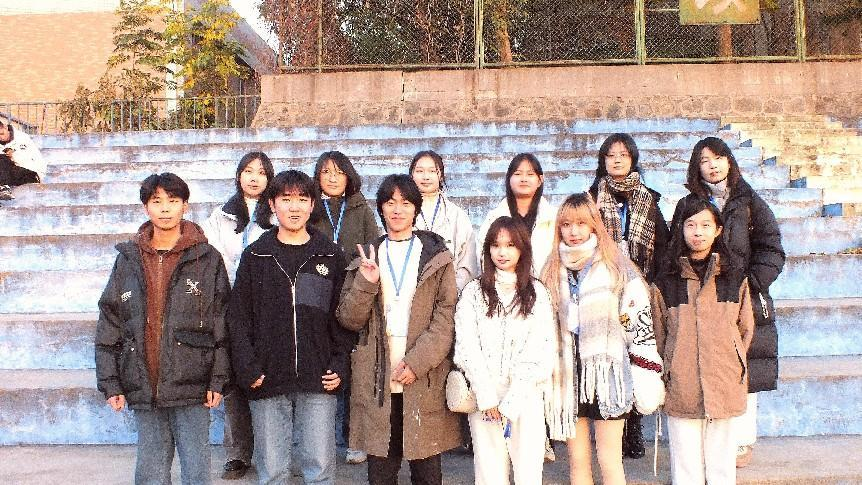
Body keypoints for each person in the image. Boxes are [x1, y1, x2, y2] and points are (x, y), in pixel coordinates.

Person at [95, 172, 231, 485]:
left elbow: (221, 320)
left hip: (193, 384)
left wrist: (219, 378)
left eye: (173, 200)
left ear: (185, 205)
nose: (165, 208)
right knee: (150, 473)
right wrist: (111, 382)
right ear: (146, 207)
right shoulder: (128, 259)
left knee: (196, 471)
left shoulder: (207, 259)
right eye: (157, 201)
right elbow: (110, 320)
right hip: (143, 381)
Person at [226, 170, 355, 485]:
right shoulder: (256, 255)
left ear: (312, 205)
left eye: (302, 199)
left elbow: (342, 317)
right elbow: (238, 318)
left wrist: (340, 362)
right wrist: (247, 366)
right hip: (266, 376)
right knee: (272, 472)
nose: (294, 207)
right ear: (272, 204)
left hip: (318, 376)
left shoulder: (330, 255)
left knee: (320, 470)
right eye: (286, 199)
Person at [337, 174, 461, 485]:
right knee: (381, 470)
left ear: (416, 208)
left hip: (423, 374)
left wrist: (416, 363)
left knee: (427, 471)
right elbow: (349, 319)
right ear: (380, 208)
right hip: (377, 375)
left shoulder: (436, 256)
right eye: (390, 202)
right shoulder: (366, 255)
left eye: (405, 203)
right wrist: (366, 283)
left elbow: (445, 317)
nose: (397, 210)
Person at [671, 136, 785, 468]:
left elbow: (771, 247)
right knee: (703, 365)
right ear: (696, 167)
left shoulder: (749, 201)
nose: (713, 165)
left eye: (719, 158)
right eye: (705, 160)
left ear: (730, 161)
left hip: (739, 294)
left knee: (741, 365)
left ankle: (740, 441)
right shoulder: (687, 204)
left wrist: (751, 283)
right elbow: (675, 246)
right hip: (700, 296)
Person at [542, 193, 664, 485]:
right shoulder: (550, 270)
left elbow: (636, 321)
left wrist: (644, 367)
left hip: (608, 375)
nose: (573, 231)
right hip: (567, 377)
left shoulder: (617, 267)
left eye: (581, 223)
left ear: (594, 225)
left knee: (609, 460)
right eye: (566, 224)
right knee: (578, 462)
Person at [652, 197, 754, 484]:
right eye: (691, 224)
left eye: (706, 225)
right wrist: (671, 366)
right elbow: (659, 334)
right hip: (682, 381)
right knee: (686, 464)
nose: (698, 232)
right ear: (681, 229)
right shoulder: (665, 282)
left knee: (722, 463)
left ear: (718, 230)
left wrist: (732, 361)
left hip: (724, 379)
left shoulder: (734, 278)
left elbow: (745, 328)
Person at [453, 216, 555, 485]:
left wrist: (512, 400)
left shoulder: (537, 292)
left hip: (526, 395)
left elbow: (541, 350)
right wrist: (487, 396)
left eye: (510, 245)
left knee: (529, 473)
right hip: (485, 396)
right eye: (496, 245)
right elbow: (466, 346)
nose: (502, 252)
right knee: (489, 473)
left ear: (522, 249)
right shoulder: (474, 292)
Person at [588, 133, 670, 458]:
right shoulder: (592, 198)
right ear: (603, 161)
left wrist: (651, 284)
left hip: (639, 290)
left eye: (623, 154)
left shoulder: (648, 200)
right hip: (603, 289)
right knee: (609, 355)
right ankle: (610, 424)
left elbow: (662, 247)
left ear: (633, 159)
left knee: (636, 354)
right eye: (611, 155)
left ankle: (632, 427)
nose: (617, 160)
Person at [200, 151, 274, 479]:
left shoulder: (276, 214)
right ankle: (238, 453)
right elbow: (212, 258)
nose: (254, 178)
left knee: (266, 379)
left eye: (261, 172)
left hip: (266, 307)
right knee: (233, 381)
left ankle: (273, 451)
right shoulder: (221, 217)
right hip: (230, 305)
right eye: (248, 171)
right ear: (239, 176)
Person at [309, 150, 379, 465]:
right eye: (326, 172)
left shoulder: (361, 208)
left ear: (349, 176)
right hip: (318, 293)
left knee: (354, 371)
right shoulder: (311, 208)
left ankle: (354, 439)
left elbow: (373, 248)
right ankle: (319, 441)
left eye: (339, 172)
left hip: (353, 295)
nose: (333, 178)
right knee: (322, 368)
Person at [477, 153, 556, 278]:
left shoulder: (553, 217)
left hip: (545, 286)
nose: (524, 179)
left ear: (540, 180)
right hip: (503, 286)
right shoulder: (494, 217)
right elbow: (483, 255)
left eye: (530, 174)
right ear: (509, 179)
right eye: (518, 174)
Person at [410, 150, 478, 290]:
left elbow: (467, 264)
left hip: (450, 293)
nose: (426, 177)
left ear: (440, 175)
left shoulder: (457, 215)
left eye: (432, 171)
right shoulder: (401, 213)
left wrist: (451, 294)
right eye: (420, 171)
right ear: (412, 175)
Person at [0, 120, 46, 200]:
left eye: (1, 134)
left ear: (6, 127)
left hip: (30, 174)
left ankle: (4, 187)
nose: (1, 137)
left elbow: (35, 161)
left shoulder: (22, 138)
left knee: (3, 159)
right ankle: (3, 187)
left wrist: (14, 155)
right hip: (11, 175)